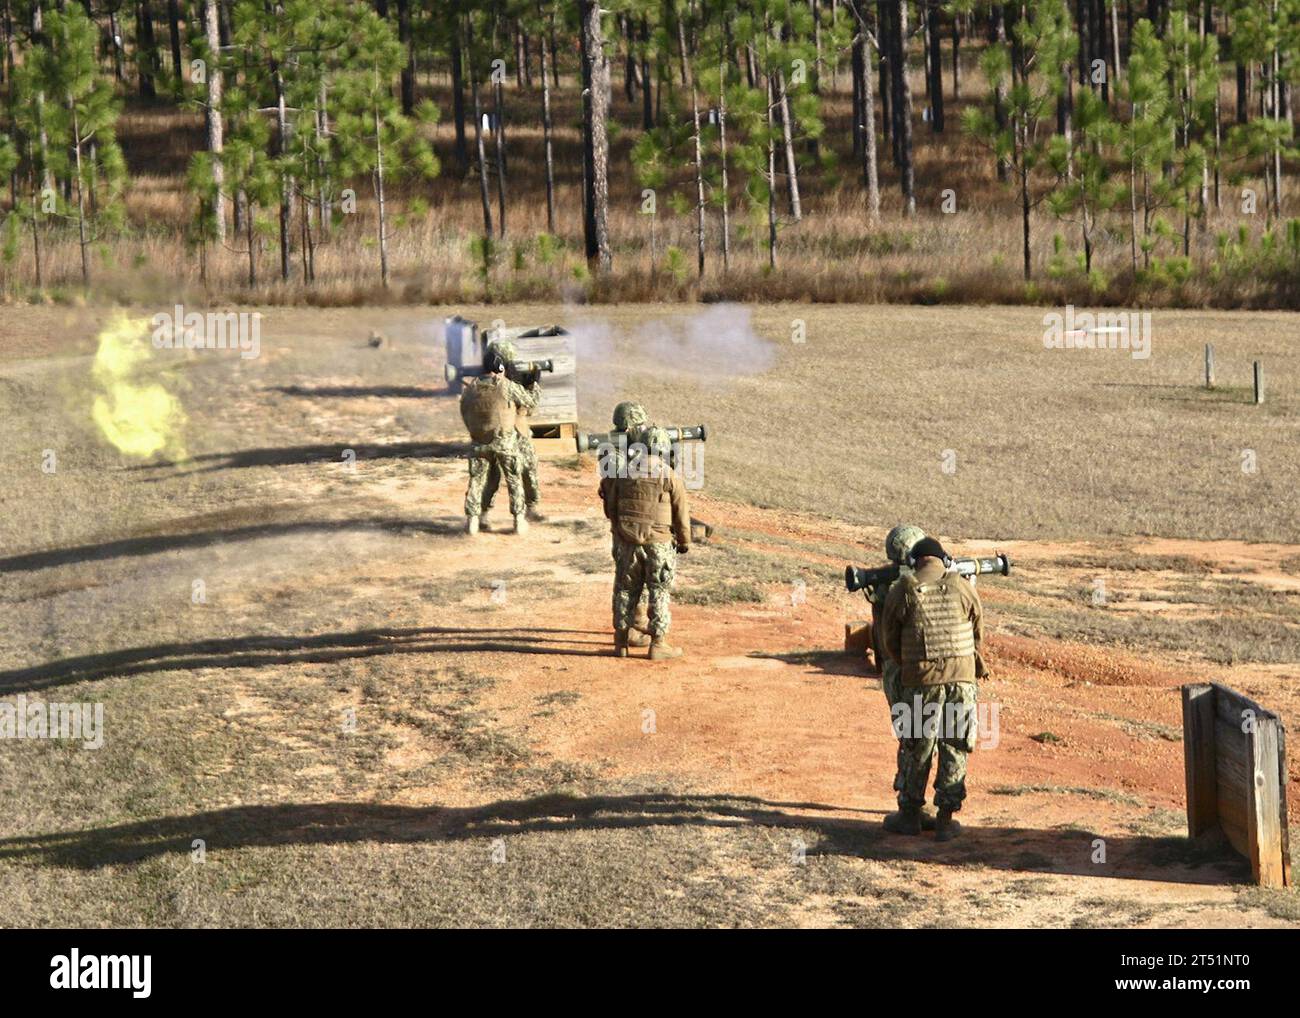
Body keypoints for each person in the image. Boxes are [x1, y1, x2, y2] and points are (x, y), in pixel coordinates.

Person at [879, 536, 985, 841]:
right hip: (961, 680)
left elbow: (889, 639)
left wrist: (910, 665)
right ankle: (945, 819)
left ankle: (909, 816)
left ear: (914, 561)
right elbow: (978, 632)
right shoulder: (963, 587)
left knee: (917, 746)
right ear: (944, 561)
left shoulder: (904, 588)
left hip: (920, 681)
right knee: (955, 744)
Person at [867, 524, 936, 831]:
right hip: (908, 670)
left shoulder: (886, 585)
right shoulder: (907, 587)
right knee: (916, 738)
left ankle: (911, 804)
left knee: (914, 736)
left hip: (895, 669)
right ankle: (910, 809)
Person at [604, 426, 690, 660]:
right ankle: (659, 644)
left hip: (627, 542)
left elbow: (611, 508)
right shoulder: (668, 475)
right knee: (658, 591)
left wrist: (620, 532)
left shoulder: (623, 472)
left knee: (624, 590)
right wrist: (684, 541)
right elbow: (681, 513)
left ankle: (621, 643)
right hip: (659, 543)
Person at [458, 347, 538, 535]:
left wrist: (476, 433)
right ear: (500, 368)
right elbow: (530, 401)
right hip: (505, 442)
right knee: (514, 479)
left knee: (477, 481)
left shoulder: (470, 388)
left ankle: (473, 521)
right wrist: (535, 382)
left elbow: (465, 411)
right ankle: (518, 521)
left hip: (479, 442)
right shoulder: (505, 385)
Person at [599, 401, 652, 647]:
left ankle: (636, 621)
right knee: (627, 577)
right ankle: (628, 629)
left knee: (635, 573)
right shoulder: (612, 451)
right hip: (626, 523)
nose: (644, 428)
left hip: (634, 521)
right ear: (630, 426)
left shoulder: (623, 448)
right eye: (640, 424)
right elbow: (625, 483)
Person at [479, 339, 545, 525]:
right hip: (500, 430)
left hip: (518, 427)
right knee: (491, 475)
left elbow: (529, 404)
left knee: (529, 467)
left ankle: (531, 507)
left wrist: (531, 382)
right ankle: (483, 512)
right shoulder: (491, 378)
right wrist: (534, 384)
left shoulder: (516, 373)